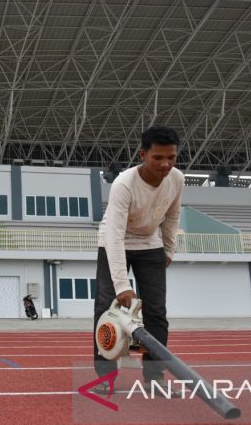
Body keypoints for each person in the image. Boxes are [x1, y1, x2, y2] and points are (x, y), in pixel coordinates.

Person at [91, 125, 184, 394]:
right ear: (143, 154)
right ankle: (105, 378)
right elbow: (115, 236)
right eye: (158, 158)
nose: (165, 164)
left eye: (171, 157)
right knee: (106, 308)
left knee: (156, 313)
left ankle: (154, 379)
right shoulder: (123, 184)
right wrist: (122, 287)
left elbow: (173, 215)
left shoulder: (177, 179)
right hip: (113, 241)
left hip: (150, 243)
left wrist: (168, 250)